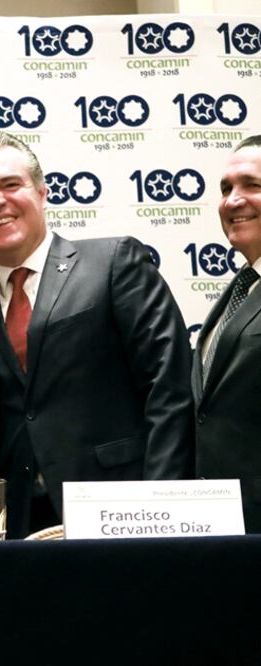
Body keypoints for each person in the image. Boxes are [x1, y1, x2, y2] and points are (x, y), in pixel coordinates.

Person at [0, 131, 194, 538]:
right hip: (28, 534)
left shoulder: (114, 263)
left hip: (131, 518)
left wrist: (163, 508)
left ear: (42, 192)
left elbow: (168, 388)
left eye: (10, 184)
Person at [194, 135, 261, 532]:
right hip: (226, 530)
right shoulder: (240, 289)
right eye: (225, 189)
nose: (233, 200)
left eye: (252, 185)